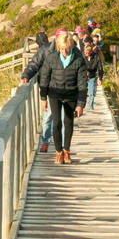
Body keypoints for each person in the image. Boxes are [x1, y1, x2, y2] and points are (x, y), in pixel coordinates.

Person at [39, 29, 88, 164]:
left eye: (66, 49)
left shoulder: (79, 60)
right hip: (54, 94)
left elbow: (82, 83)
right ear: (58, 47)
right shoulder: (51, 58)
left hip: (71, 94)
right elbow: (44, 78)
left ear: (71, 47)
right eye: (61, 49)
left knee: (68, 122)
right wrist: (43, 98)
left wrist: (80, 104)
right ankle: (58, 152)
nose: (64, 52)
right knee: (57, 123)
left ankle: (67, 151)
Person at [21, 29, 61, 152]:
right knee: (48, 115)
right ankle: (45, 142)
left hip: (66, 88)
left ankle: (64, 148)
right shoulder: (45, 49)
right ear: (56, 38)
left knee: (63, 118)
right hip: (49, 87)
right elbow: (35, 63)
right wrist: (26, 75)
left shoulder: (71, 50)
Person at [82, 39, 103, 110]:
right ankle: (82, 106)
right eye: (85, 53)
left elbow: (100, 68)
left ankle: (91, 107)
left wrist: (100, 78)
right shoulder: (82, 56)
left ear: (91, 52)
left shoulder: (96, 57)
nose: (86, 54)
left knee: (92, 92)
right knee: (83, 92)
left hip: (92, 76)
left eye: (87, 53)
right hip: (83, 77)